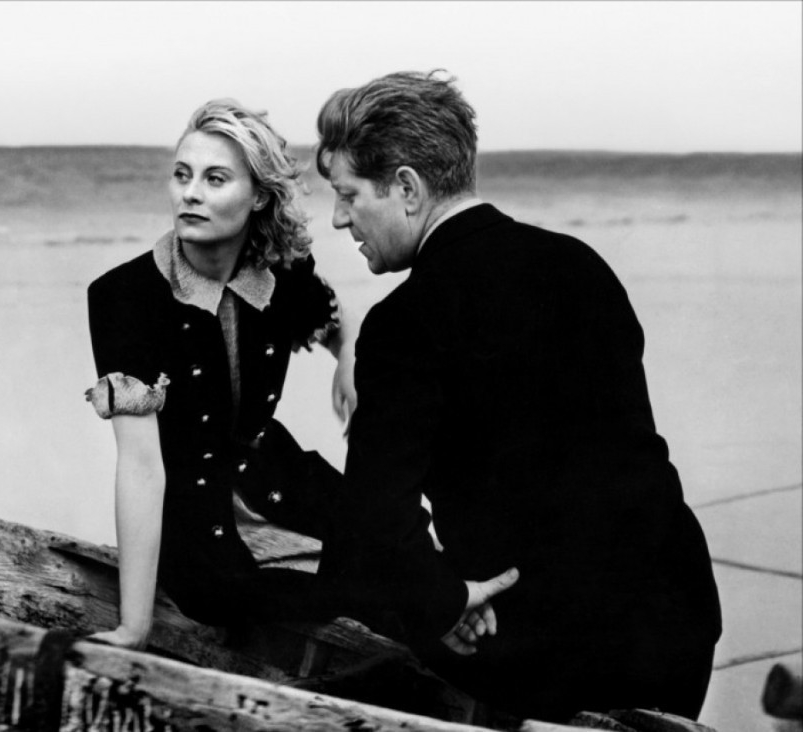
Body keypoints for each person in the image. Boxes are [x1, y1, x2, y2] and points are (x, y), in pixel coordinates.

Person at [314, 71, 722, 722]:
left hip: (544, 649)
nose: (339, 218)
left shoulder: (405, 321)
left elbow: (376, 517)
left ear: (407, 188)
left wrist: (440, 602)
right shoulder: (580, 265)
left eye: (347, 195)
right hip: (676, 619)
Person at [84, 99, 355, 649]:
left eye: (215, 179)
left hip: (280, 480)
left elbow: (332, 319)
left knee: (401, 543)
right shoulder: (123, 297)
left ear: (259, 196)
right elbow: (141, 466)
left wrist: (348, 359)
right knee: (356, 591)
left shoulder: (281, 272)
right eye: (182, 175)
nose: (190, 194)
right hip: (194, 525)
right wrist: (134, 627)